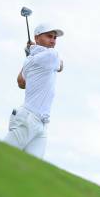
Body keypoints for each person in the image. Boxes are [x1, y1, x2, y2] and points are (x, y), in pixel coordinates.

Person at [4, 23, 64, 158]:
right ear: (37, 38)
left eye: (55, 38)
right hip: (28, 118)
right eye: (49, 36)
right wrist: (32, 52)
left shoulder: (30, 59)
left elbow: (21, 82)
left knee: (32, 168)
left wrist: (30, 53)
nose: (53, 41)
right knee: (1, 155)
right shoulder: (52, 55)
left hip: (42, 124)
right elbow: (60, 66)